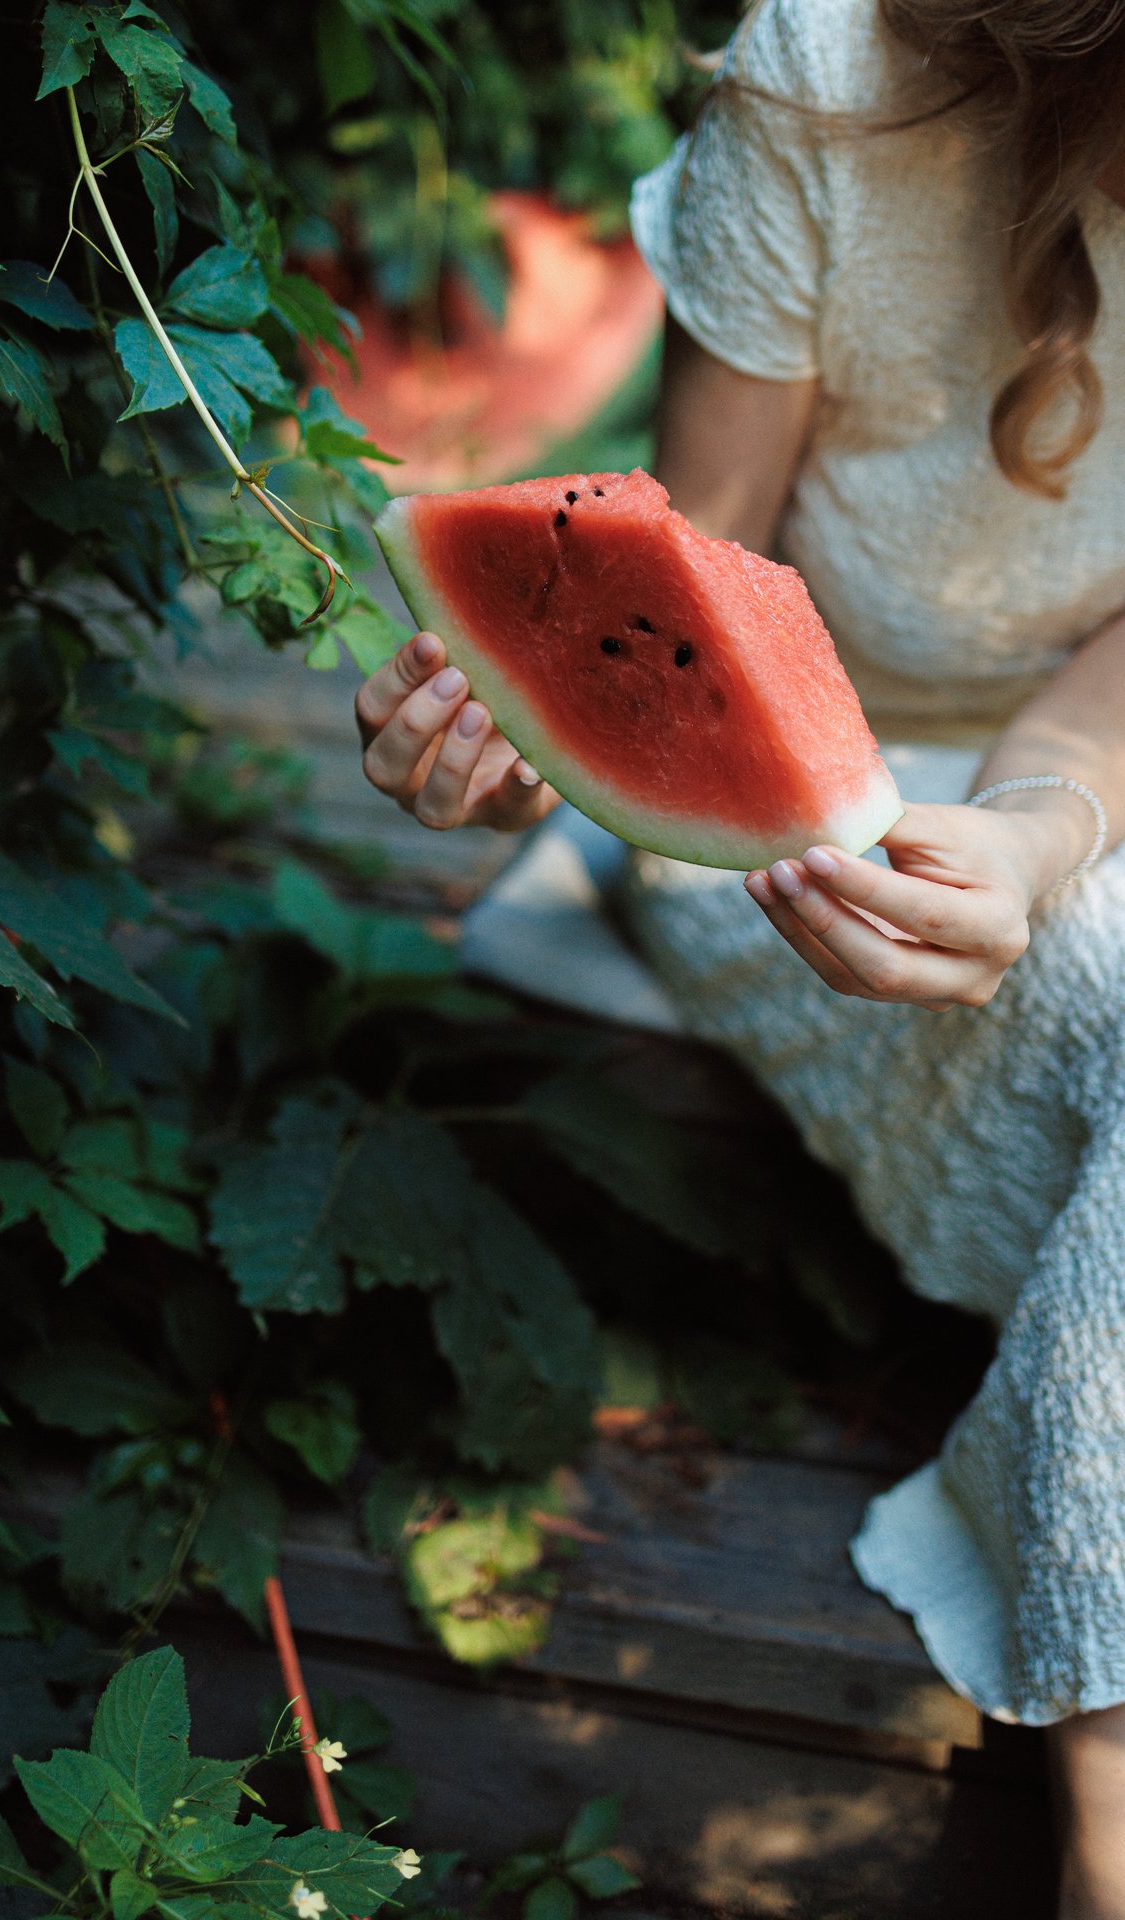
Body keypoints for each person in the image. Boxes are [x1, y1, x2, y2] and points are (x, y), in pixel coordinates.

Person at [352, 0, 1125, 1910]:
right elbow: (677, 595)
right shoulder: (827, 71)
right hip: (799, 834)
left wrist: (1040, 831)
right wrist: (509, 759)